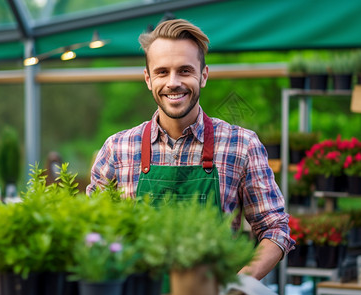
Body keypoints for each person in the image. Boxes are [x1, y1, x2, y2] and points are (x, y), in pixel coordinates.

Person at [87, 18, 294, 280]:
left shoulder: (241, 145)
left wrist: (239, 284)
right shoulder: (118, 149)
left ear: (203, 75)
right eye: (162, 72)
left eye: (185, 70)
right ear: (148, 79)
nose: (173, 82)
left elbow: (275, 229)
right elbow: (91, 232)